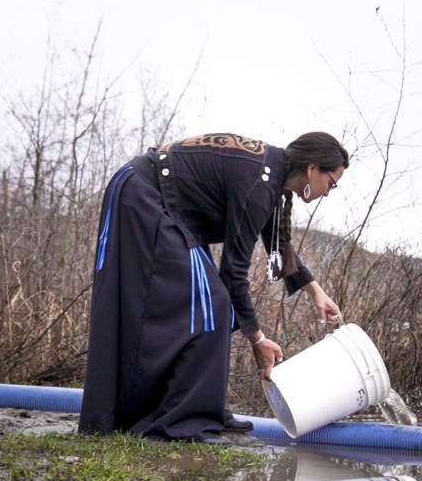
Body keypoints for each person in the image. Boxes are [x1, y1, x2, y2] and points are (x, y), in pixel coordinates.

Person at [78, 132, 346, 443]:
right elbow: (233, 272)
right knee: (213, 303)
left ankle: (198, 410)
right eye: (332, 182)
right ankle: (184, 420)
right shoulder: (260, 182)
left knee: (211, 303)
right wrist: (257, 339)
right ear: (313, 168)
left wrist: (316, 292)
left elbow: (278, 244)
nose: (329, 191)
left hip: (168, 207)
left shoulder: (272, 177)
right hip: (143, 194)